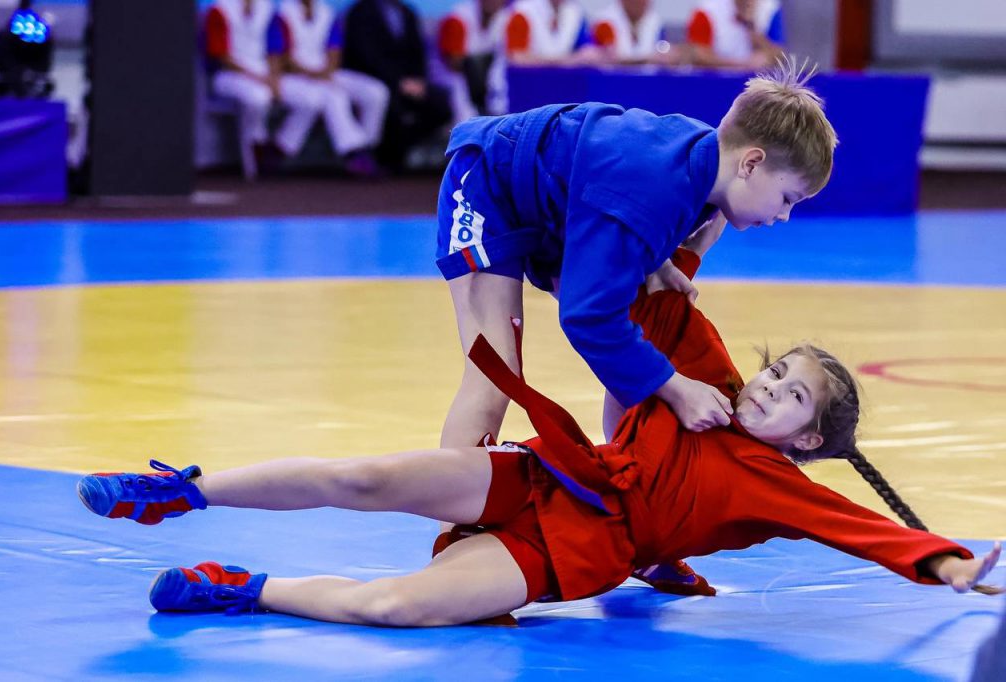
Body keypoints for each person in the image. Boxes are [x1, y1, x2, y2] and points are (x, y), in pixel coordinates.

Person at [76, 236, 1002, 625]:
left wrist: (951, 564)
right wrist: (711, 207)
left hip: (578, 551)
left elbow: (864, 530)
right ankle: (183, 489)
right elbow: (672, 282)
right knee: (364, 476)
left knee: (395, 607)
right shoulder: (711, 387)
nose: (766, 390)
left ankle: (239, 587)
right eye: (775, 371)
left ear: (805, 440)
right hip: (548, 473)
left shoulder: (781, 487)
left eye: (790, 397)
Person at [435, 57, 835, 464]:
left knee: (642, 322)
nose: (784, 215)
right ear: (751, 163)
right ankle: (447, 502)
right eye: (788, 198)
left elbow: (611, 191)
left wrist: (656, 260)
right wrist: (676, 387)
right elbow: (586, 319)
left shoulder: (710, 168)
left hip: (558, 202)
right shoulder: (649, 196)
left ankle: (630, 468)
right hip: (488, 182)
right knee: (495, 372)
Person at [272, 0, 389, 177]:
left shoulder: (326, 12)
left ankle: (367, 147)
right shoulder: (283, 13)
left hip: (325, 73)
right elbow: (281, 58)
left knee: (375, 92)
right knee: (333, 95)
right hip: (294, 76)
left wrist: (325, 72)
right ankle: (354, 153)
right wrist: (314, 74)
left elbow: (334, 51)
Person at [341, 0, 453, 170]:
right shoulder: (360, 12)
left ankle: (404, 152)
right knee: (389, 104)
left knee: (441, 103)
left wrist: (419, 80)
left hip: (409, 82)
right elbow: (365, 56)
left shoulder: (408, 12)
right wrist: (398, 82)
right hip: (375, 79)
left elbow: (418, 53)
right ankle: (378, 156)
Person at [204, 0, 289, 177]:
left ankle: (268, 149)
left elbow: (274, 49)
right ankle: (257, 149)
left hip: (262, 74)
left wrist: (273, 78)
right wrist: (258, 78)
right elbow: (221, 56)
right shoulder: (219, 9)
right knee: (257, 96)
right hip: (228, 75)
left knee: (308, 97)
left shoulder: (266, 8)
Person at [436, 0, 508, 122]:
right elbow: (454, 64)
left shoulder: (505, 18)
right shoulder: (458, 19)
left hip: (485, 83)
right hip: (451, 79)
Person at [687, 0, 784, 70]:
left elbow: (781, 56)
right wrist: (743, 64)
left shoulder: (772, 10)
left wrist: (751, 28)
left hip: (761, 85)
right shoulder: (706, 11)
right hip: (717, 82)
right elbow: (698, 56)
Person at [590, 0, 678, 66]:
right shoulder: (603, 23)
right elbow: (607, 58)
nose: (640, 3)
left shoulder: (656, 23)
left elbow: (664, 54)